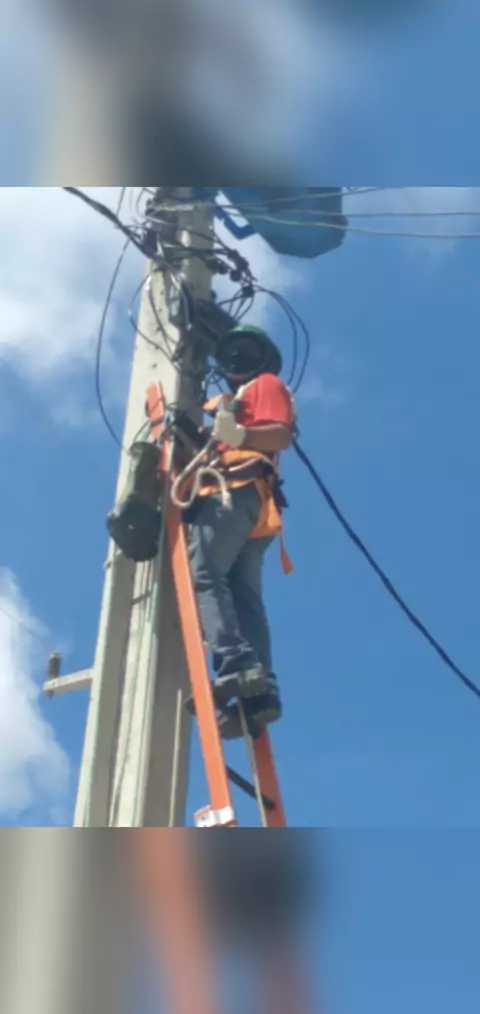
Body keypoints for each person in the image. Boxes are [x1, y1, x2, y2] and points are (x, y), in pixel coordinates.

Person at [185, 325, 296, 740]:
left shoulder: (263, 385)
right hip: (251, 506)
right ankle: (259, 695)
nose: (238, 358)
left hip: (236, 493)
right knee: (243, 596)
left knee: (205, 572)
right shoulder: (232, 405)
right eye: (233, 351)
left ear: (262, 359)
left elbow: (280, 434)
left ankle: (236, 663)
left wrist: (241, 435)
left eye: (247, 350)